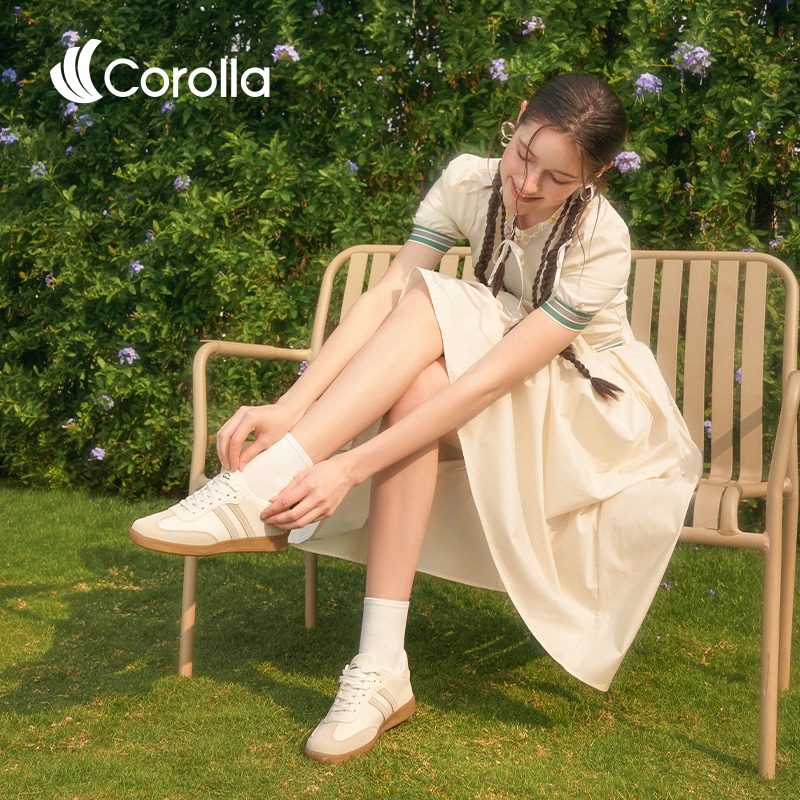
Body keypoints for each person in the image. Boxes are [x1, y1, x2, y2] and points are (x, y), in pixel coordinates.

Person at [130, 73, 702, 764]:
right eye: (523, 154)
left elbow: (493, 376)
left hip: (590, 418)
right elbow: (388, 296)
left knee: (436, 305)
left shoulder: (602, 239)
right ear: (518, 118)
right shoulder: (467, 180)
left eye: (556, 179)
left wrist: (348, 465)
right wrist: (293, 404)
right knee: (423, 361)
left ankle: (261, 490)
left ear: (595, 176)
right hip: (499, 392)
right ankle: (380, 666)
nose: (526, 184)